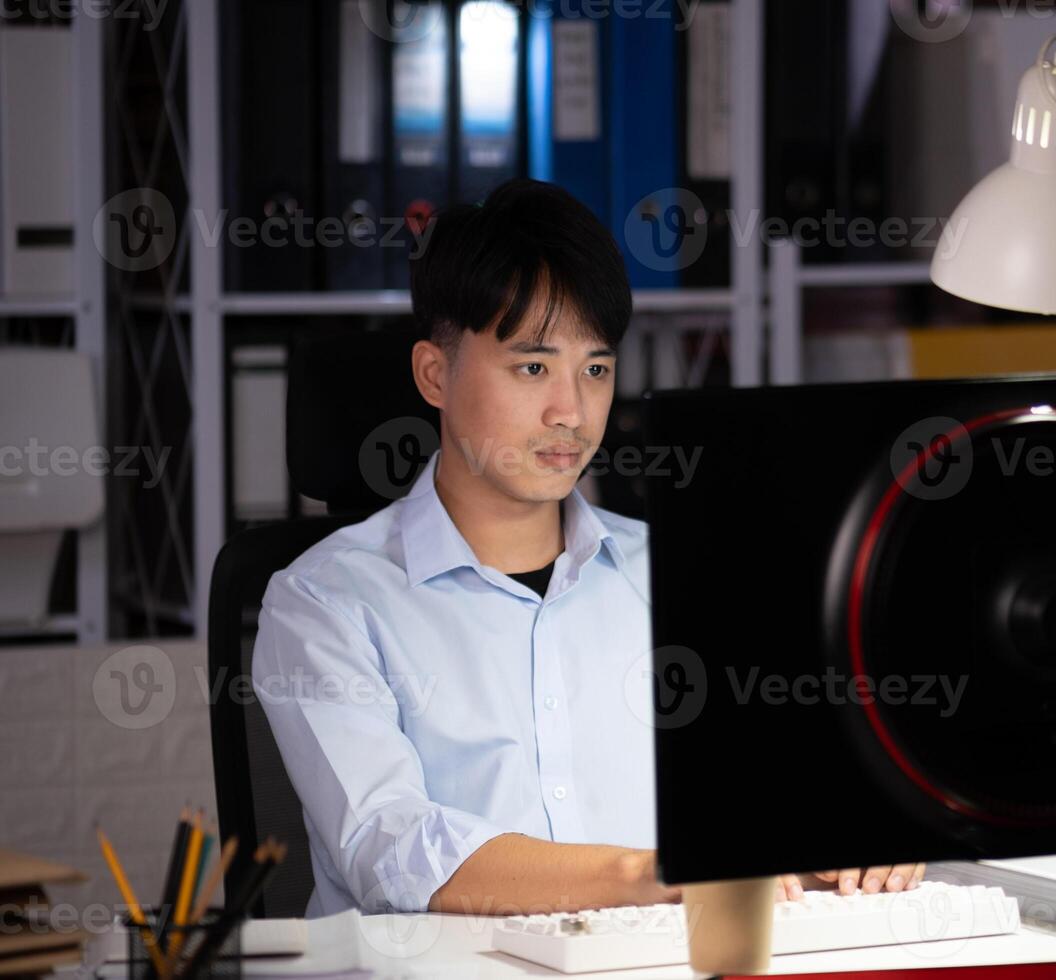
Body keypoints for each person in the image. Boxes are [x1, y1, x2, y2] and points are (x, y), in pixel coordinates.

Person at [252, 179, 924, 917]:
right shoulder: (325, 601)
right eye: (533, 367)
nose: (571, 411)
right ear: (435, 375)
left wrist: (854, 831)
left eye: (596, 369)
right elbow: (395, 849)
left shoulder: (678, 572)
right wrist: (650, 874)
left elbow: (781, 781)